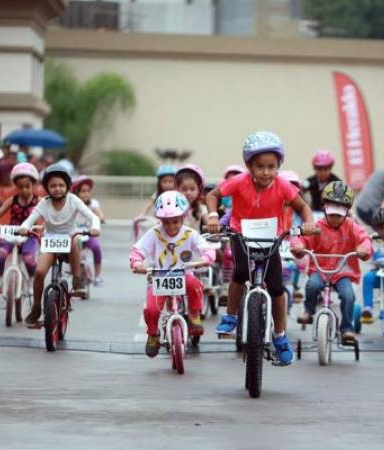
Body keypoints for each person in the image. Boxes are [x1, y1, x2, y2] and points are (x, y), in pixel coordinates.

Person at [206, 131, 315, 366]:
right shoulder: (239, 182)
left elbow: (303, 207)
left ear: (278, 166)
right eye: (259, 166)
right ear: (248, 165)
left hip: (270, 237)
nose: (266, 172)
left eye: (271, 166)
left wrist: (308, 223)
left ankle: (280, 336)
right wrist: (213, 215)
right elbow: (213, 195)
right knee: (240, 273)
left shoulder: (283, 185)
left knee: (276, 287)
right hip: (242, 234)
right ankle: (231, 315)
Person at [130, 190, 215, 357]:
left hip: (184, 275)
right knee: (152, 310)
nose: (171, 226)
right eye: (166, 222)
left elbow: (206, 248)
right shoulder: (154, 233)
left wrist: (206, 258)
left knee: (195, 285)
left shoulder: (190, 233)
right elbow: (137, 251)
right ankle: (153, 334)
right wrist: (137, 262)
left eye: (175, 221)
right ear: (160, 220)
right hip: (158, 277)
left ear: (183, 217)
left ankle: (194, 315)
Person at [19, 164, 100, 326]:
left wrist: (95, 227)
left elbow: (93, 217)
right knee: (40, 272)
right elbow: (30, 219)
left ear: (67, 186)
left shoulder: (74, 200)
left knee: (74, 239)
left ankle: (77, 280)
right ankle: (36, 307)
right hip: (50, 241)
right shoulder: (44, 203)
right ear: (47, 188)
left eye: (61, 185)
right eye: (53, 186)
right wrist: (25, 227)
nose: (57, 189)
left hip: (71, 243)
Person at [292, 181, 372, 343]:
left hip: (342, 272)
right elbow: (303, 239)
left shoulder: (352, 227)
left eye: (339, 214)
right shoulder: (317, 226)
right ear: (324, 209)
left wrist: (364, 248)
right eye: (331, 213)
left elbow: (364, 239)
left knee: (348, 295)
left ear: (347, 212)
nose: (335, 218)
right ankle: (308, 311)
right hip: (320, 270)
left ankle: (347, 328)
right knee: (312, 286)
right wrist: (299, 245)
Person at [0, 163, 40, 293]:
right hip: (11, 233)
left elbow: (48, 215)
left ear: (33, 185)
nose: (24, 190)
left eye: (27, 187)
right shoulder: (12, 200)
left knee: (29, 258)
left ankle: (31, 280)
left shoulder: (39, 201)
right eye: (20, 187)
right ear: (15, 187)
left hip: (30, 235)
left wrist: (46, 227)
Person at [71, 175, 105, 286]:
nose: (86, 194)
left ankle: (97, 275)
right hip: (74, 234)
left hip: (88, 233)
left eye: (88, 191)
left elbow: (99, 213)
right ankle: (72, 268)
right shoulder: (71, 203)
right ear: (76, 192)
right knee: (70, 250)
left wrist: (101, 218)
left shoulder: (93, 203)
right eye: (83, 191)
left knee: (96, 247)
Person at [174, 163, 207, 231]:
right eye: (184, 189)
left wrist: (213, 225)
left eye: (192, 189)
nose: (188, 193)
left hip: (195, 241)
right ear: (177, 190)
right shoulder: (174, 207)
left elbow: (209, 222)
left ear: (199, 190)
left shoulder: (201, 208)